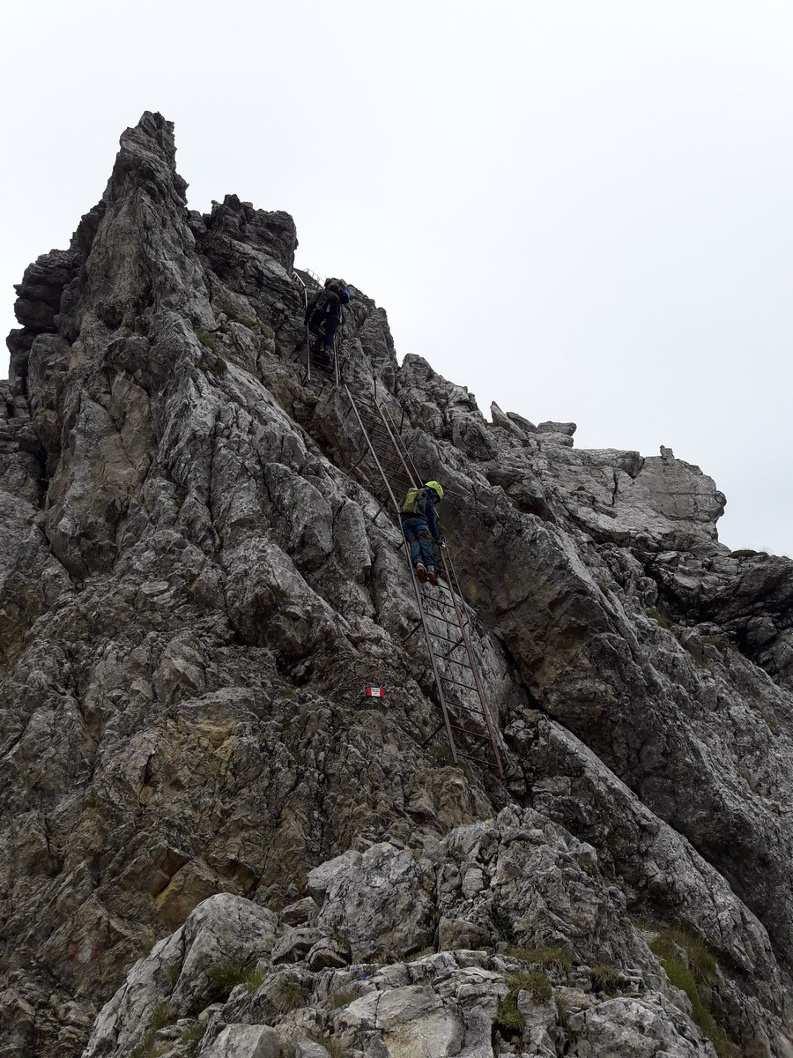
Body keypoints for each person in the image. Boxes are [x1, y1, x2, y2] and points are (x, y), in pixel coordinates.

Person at [401, 481, 444, 584]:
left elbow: (402, 505)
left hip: (406, 523)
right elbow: (431, 520)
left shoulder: (413, 493)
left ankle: (419, 565)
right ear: (435, 493)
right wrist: (437, 538)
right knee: (426, 545)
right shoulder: (427, 497)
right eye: (436, 499)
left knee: (414, 543)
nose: (435, 502)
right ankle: (430, 570)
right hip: (420, 524)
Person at [305, 278, 351, 364]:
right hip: (334, 316)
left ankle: (317, 346)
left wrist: (306, 319)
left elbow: (311, 304)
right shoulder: (340, 301)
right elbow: (342, 317)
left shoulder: (323, 293)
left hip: (321, 311)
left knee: (315, 325)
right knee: (329, 333)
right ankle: (326, 350)